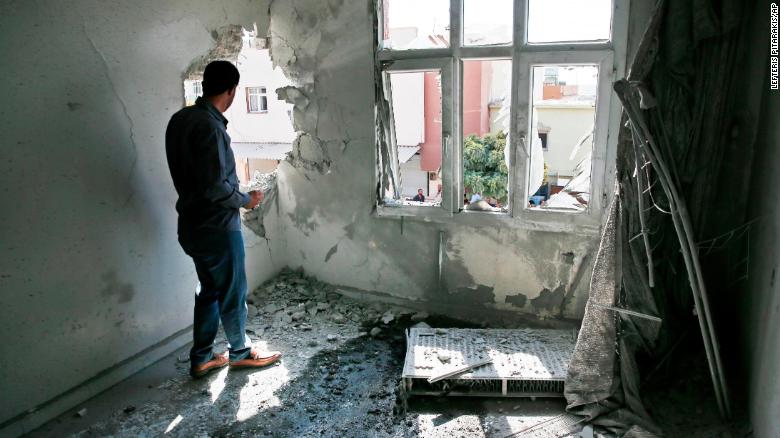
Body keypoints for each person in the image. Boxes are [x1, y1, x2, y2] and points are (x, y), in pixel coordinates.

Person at [166, 60, 282, 379]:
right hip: (218, 227)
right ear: (231, 91)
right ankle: (241, 352)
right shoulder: (211, 127)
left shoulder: (180, 120)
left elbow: (201, 178)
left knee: (209, 290)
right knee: (231, 292)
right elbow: (216, 187)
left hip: (191, 225)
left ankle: (202, 357)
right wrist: (246, 199)